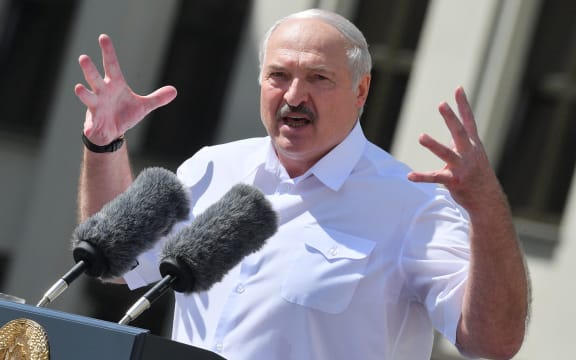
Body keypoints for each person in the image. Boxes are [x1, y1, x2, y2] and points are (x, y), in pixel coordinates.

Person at [75, 8, 529, 360]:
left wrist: (486, 208)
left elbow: (493, 342)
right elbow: (116, 261)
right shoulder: (212, 167)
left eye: (318, 78)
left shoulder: (413, 205)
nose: (294, 95)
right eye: (279, 76)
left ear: (361, 91)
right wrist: (105, 146)